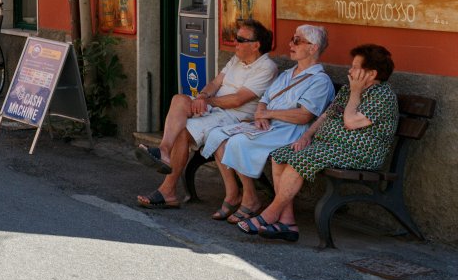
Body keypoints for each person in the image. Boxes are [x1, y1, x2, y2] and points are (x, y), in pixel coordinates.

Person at [242, 44, 398, 242]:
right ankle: (288, 222)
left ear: (371, 73)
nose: (349, 71)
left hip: (359, 154)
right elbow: (326, 115)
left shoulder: (383, 96)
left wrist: (356, 93)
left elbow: (350, 122)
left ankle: (270, 213)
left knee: (300, 159)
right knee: (280, 155)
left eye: (355, 67)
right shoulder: (351, 90)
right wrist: (307, 135)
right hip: (331, 147)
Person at [136, 19, 279, 212]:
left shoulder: (267, 67)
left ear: (256, 45)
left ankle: (167, 190)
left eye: (240, 39)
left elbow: (238, 100)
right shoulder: (236, 59)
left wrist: (207, 102)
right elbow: (215, 83)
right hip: (216, 109)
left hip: (235, 117)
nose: (235, 43)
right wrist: (203, 95)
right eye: (235, 38)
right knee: (179, 99)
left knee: (183, 131)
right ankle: (163, 149)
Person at [223, 24, 337, 234]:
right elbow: (265, 100)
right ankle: (278, 213)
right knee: (230, 137)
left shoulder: (320, 81)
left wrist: (268, 114)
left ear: (313, 48)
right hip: (272, 128)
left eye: (297, 41)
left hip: (293, 132)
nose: (290, 44)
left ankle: (255, 202)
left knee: (239, 141)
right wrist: (260, 114)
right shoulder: (287, 75)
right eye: (292, 39)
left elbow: (304, 115)